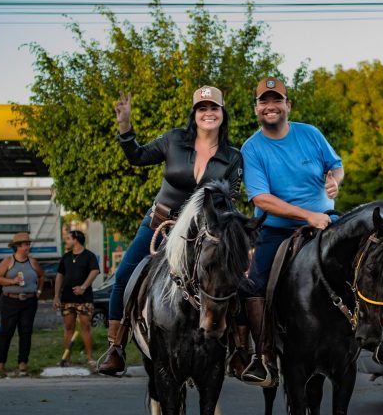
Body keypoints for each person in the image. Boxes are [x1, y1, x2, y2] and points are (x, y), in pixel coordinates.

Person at [97, 86, 243, 376]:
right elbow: (137, 156)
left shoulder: (233, 157)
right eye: (202, 109)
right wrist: (125, 128)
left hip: (200, 234)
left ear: (222, 114)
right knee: (124, 276)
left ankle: (239, 350)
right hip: (159, 224)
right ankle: (116, 347)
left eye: (214, 108)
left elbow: (232, 199)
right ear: (195, 114)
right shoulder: (174, 139)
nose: (208, 113)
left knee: (233, 279)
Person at [237, 76, 345, 386]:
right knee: (254, 286)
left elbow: (336, 165)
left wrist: (336, 179)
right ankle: (263, 357)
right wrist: (307, 216)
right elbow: (261, 199)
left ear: (288, 105)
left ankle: (372, 336)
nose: (270, 106)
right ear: (256, 108)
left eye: (276, 100)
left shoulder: (310, 133)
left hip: (326, 222)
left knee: (361, 264)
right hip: (277, 230)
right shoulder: (252, 148)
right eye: (264, 101)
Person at [0, 231, 45, 377]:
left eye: (28, 244)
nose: (28, 246)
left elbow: (41, 276)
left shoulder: (32, 261)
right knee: (6, 332)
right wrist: (12, 281)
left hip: (29, 301)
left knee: (26, 332)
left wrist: (39, 290)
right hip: (10, 300)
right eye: (25, 244)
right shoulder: (8, 261)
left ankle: (23, 363)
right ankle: (0, 364)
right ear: (17, 246)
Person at [53, 230, 100, 371]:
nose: (66, 241)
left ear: (76, 240)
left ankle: (90, 358)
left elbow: (95, 271)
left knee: (85, 327)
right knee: (68, 328)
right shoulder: (66, 257)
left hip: (84, 299)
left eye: (68, 238)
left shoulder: (89, 256)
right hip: (67, 298)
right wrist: (56, 295)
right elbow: (59, 276)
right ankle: (66, 358)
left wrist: (83, 287)